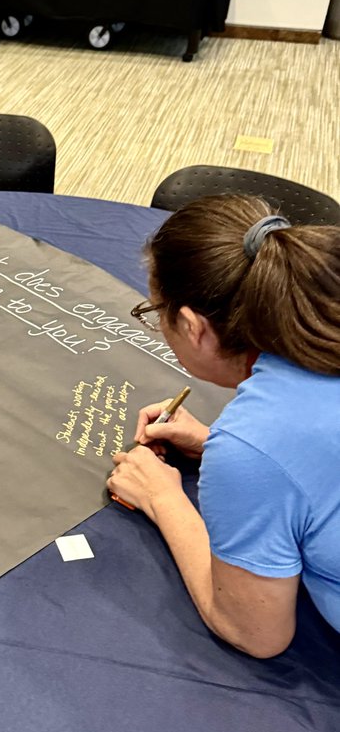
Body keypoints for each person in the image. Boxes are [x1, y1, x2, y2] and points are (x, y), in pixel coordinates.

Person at [107, 194, 340, 659]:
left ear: (192, 326)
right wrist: (216, 444)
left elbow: (255, 632)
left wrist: (161, 497)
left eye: (155, 314)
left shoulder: (255, 442)